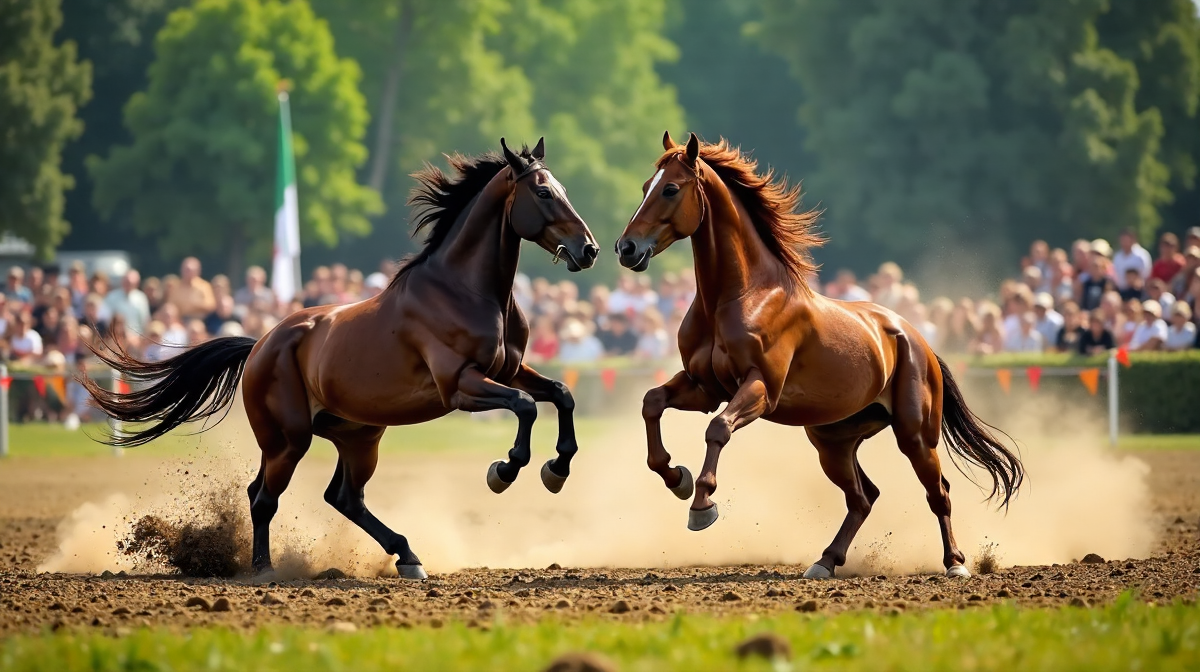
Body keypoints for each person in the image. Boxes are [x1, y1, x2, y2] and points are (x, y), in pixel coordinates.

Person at [105, 269, 151, 334]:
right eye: (126, 282)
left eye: (130, 283)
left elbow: (145, 320)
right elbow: (107, 319)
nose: (128, 285)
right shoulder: (111, 297)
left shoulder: (141, 298)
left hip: (136, 338)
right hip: (117, 337)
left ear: (136, 283)